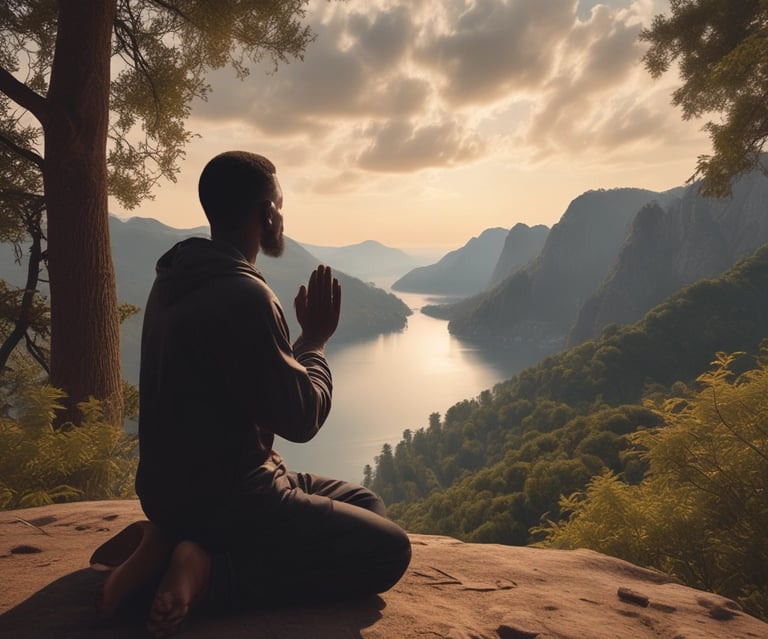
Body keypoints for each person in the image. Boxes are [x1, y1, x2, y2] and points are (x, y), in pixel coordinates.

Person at [95, 151, 411, 637]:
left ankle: (169, 541)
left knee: (367, 505)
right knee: (388, 551)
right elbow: (302, 418)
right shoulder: (244, 295)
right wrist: (316, 341)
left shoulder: (175, 278)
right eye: (279, 206)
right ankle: (209, 574)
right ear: (267, 214)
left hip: (168, 492)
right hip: (235, 497)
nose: (281, 217)